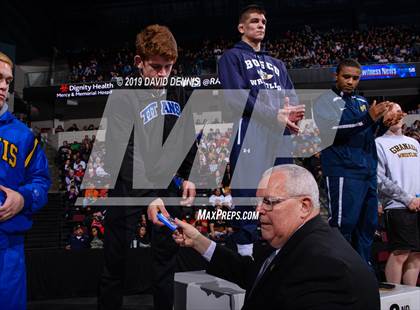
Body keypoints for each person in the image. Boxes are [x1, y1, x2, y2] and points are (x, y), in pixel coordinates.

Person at [173, 164, 380, 310]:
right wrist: (199, 241)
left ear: (304, 206)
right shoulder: (294, 244)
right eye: (258, 202)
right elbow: (254, 275)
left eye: (269, 202)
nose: (259, 210)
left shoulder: (325, 267)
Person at [97, 25, 196, 310]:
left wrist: (189, 174)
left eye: (169, 67)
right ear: (139, 62)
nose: (163, 74)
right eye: (156, 67)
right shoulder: (123, 95)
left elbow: (186, 133)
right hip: (127, 183)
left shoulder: (178, 90)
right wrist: (147, 192)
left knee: (166, 260)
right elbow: (121, 151)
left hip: (164, 181)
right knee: (115, 262)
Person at [218, 4, 305, 256]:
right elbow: (236, 98)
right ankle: (244, 257)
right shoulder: (231, 57)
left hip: (278, 135)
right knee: (247, 194)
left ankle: (278, 254)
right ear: (241, 27)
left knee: (280, 193)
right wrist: (272, 115)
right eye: (255, 21)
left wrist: (294, 115)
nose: (261, 25)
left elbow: (291, 97)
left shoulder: (277, 63)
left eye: (264, 21)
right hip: (249, 131)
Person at [313, 58, 404, 265]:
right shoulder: (324, 101)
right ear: (335, 76)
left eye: (355, 78)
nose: (351, 81)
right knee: (343, 224)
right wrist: (368, 118)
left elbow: (367, 133)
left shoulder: (362, 102)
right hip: (343, 170)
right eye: (346, 76)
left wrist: (382, 125)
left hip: (367, 171)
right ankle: (339, 272)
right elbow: (331, 132)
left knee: (367, 226)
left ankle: (363, 272)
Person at [0, 51, 51, 310]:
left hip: (7, 247)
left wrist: (23, 198)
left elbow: (42, 182)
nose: (3, 86)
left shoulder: (24, 136)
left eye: (8, 81)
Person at [375, 103, 420, 286]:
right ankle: (394, 298)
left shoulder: (414, 143)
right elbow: (378, 178)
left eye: (399, 110)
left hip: (418, 203)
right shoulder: (378, 143)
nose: (397, 114)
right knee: (400, 253)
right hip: (398, 206)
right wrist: (407, 198)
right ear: (383, 118)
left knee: (416, 256)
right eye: (391, 111)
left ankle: (411, 299)